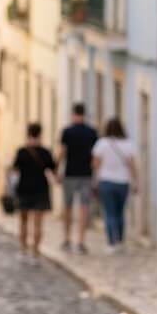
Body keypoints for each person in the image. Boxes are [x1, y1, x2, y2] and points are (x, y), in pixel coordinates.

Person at [93, 118, 140, 254]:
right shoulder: (128, 144)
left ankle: (111, 243)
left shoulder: (102, 143)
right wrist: (136, 182)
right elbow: (132, 165)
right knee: (120, 213)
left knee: (109, 213)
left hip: (106, 181)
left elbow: (95, 164)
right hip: (123, 182)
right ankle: (120, 241)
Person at [11, 123, 57, 261]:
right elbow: (53, 168)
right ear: (40, 134)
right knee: (38, 223)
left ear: (28, 133)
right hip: (41, 189)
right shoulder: (45, 151)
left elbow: (15, 169)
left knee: (23, 222)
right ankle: (35, 253)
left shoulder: (22, 151)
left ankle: (23, 249)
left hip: (24, 188)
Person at [57, 104, 98, 254]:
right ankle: (81, 241)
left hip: (70, 174)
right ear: (84, 114)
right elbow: (95, 156)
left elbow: (62, 152)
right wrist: (95, 174)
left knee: (67, 207)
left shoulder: (67, 132)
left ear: (73, 114)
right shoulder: (92, 132)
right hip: (86, 174)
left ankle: (67, 239)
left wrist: (56, 170)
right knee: (84, 208)